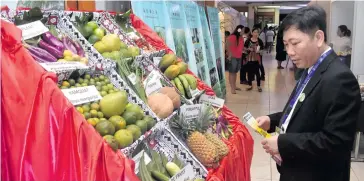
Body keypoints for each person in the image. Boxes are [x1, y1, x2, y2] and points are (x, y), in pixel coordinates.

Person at [256, 5, 361, 181]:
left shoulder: (340, 79)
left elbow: (336, 143)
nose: (289, 52)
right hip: (298, 168)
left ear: (318, 38)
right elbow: (303, 110)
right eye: (286, 44)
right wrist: (272, 120)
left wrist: (283, 143)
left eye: (295, 43)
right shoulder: (310, 67)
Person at [245, 28, 264, 92]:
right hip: (249, 59)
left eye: (257, 32)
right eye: (254, 32)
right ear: (252, 33)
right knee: (249, 73)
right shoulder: (248, 40)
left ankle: (258, 86)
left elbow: (262, 50)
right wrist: (248, 49)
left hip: (257, 59)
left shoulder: (260, 41)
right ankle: (250, 85)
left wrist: (259, 51)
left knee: (257, 73)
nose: (256, 34)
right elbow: (244, 48)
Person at [226, 25, 244, 94]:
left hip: (239, 57)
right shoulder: (232, 37)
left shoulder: (241, 37)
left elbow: (240, 47)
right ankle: (232, 88)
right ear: (239, 30)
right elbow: (227, 44)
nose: (243, 31)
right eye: (242, 30)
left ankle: (234, 86)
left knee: (235, 72)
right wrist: (229, 54)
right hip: (233, 57)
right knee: (232, 73)